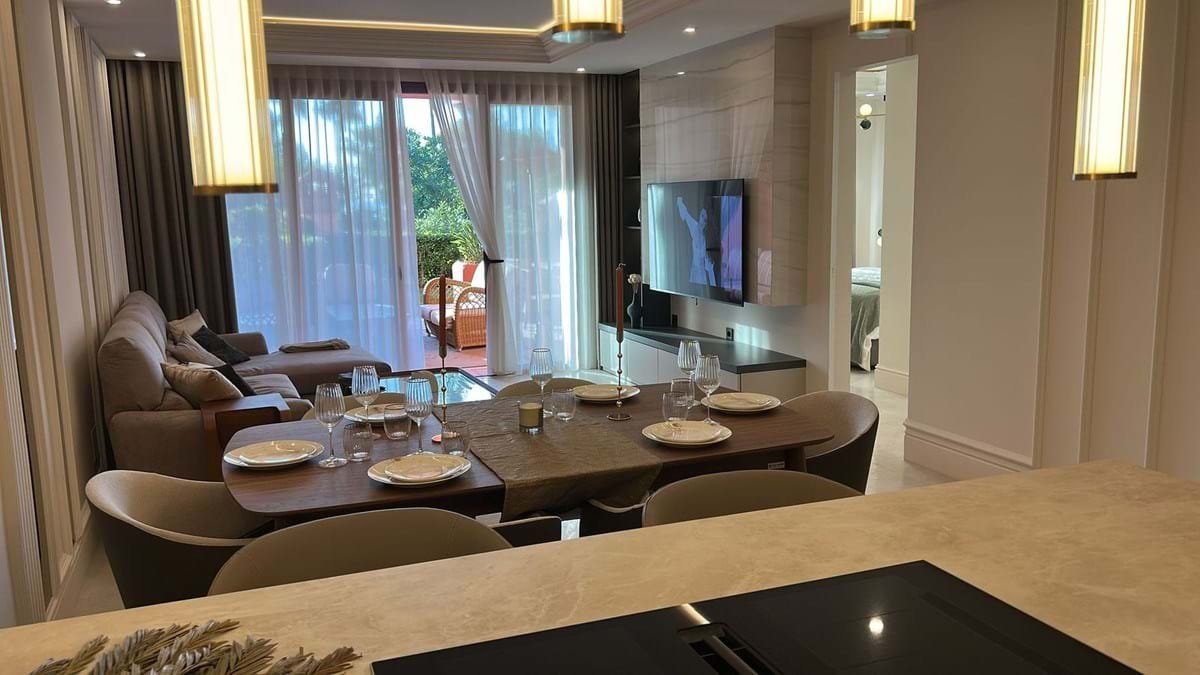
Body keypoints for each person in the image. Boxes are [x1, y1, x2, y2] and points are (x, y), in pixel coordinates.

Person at [676, 196, 716, 286]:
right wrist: (679, 200)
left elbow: (709, 265)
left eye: (705, 220)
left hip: (702, 276)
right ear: (699, 215)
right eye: (702, 216)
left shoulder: (707, 238)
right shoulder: (694, 227)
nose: (702, 221)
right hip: (694, 272)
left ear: (707, 223)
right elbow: (686, 214)